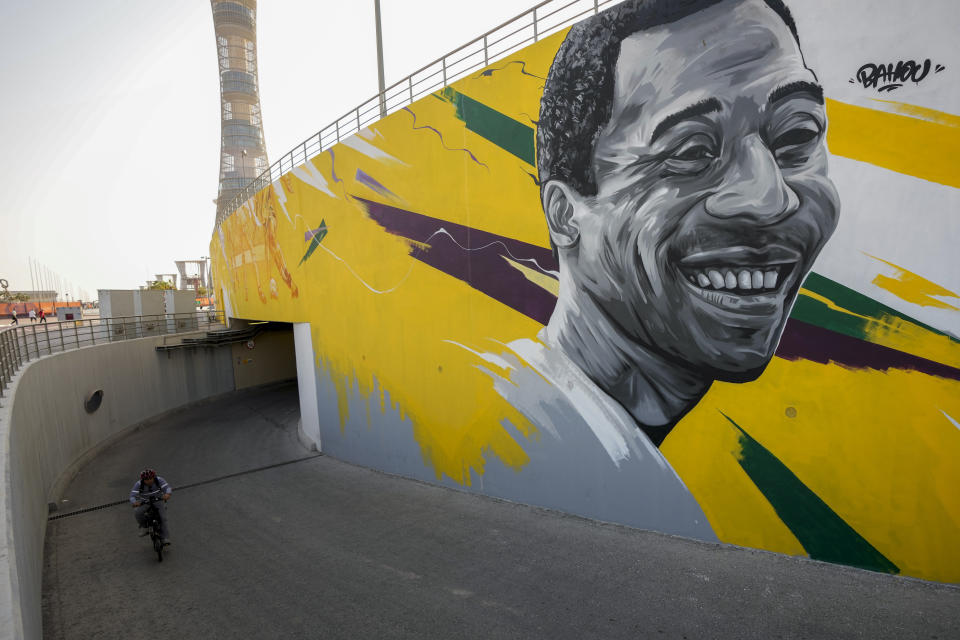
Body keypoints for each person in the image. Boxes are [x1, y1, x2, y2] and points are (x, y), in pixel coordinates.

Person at [465, 0, 840, 538]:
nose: (769, 198)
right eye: (690, 151)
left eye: (798, 136)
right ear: (566, 215)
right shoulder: (514, 448)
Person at [130, 468, 172, 544]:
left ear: (154, 477)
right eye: (146, 479)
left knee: (163, 518)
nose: (149, 480)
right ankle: (144, 527)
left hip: (158, 500)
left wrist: (167, 494)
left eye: (150, 478)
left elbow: (167, 487)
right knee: (137, 512)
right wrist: (134, 502)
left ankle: (165, 538)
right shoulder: (139, 484)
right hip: (145, 502)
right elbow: (132, 495)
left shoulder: (159, 480)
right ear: (143, 479)